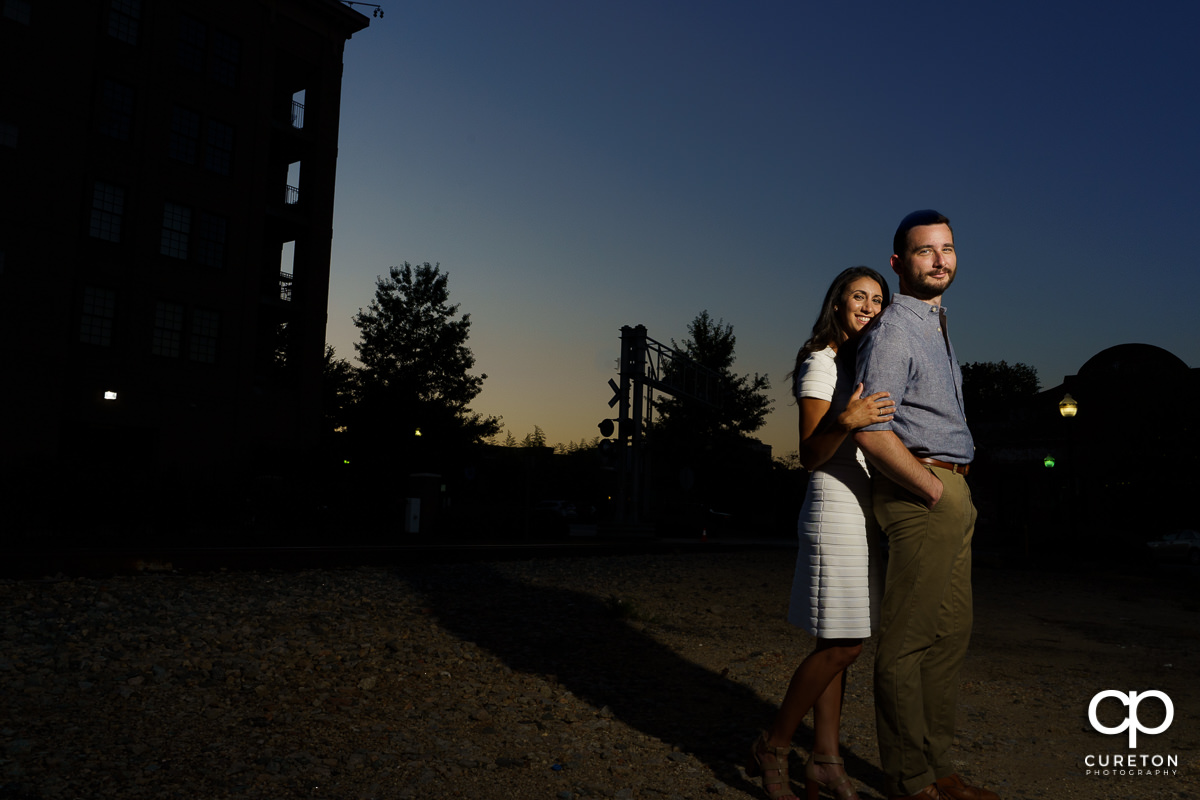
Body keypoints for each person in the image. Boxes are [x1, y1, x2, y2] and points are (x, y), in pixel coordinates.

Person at [853, 211, 998, 800]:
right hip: (923, 493)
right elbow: (871, 430)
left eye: (948, 249)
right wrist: (933, 490)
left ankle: (939, 769)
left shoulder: (935, 323)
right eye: (924, 252)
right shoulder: (894, 330)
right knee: (908, 643)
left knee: (948, 637)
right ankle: (908, 781)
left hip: (953, 491)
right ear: (899, 263)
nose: (940, 260)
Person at [748, 266, 895, 800]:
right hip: (833, 507)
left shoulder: (862, 362)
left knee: (837, 638)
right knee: (849, 644)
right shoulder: (822, 361)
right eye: (859, 296)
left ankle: (826, 759)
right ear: (837, 303)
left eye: (878, 300)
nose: (869, 306)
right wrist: (848, 419)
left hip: (861, 512)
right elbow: (810, 453)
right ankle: (775, 743)